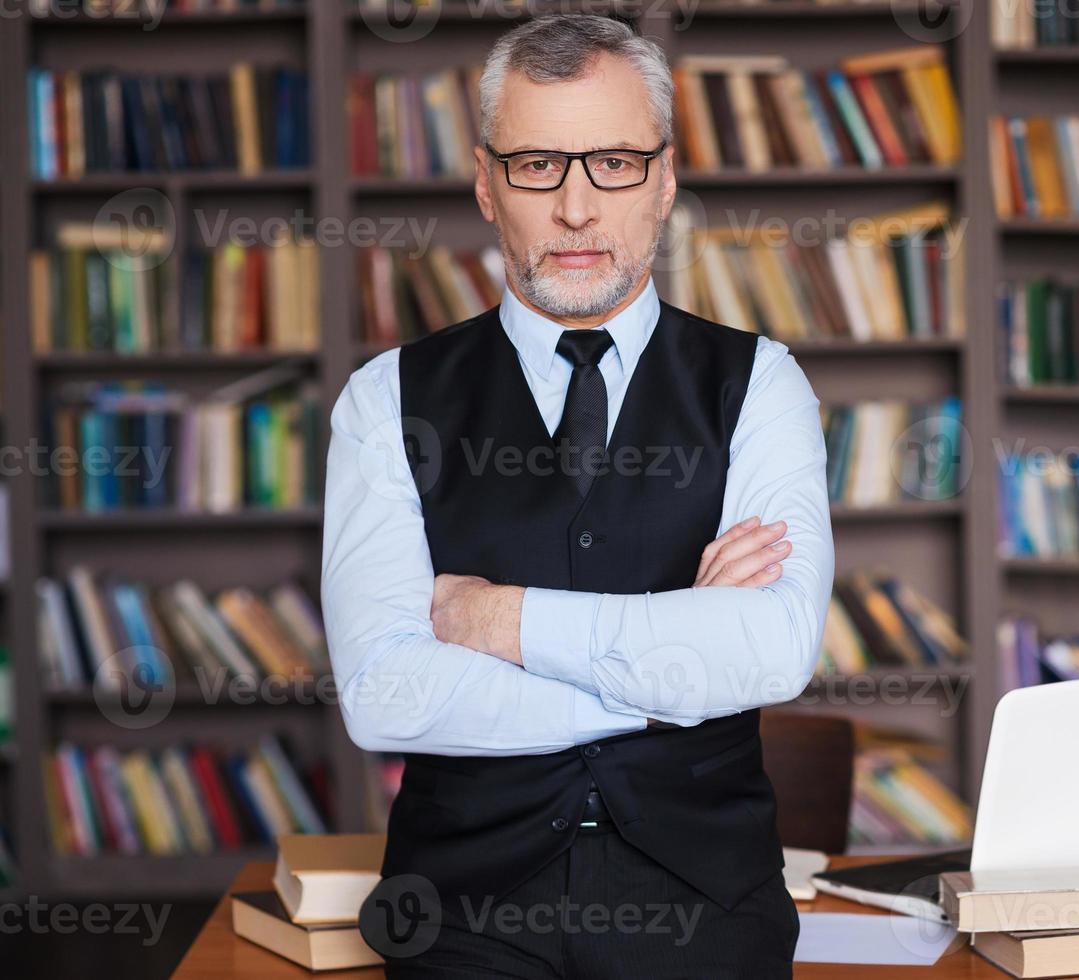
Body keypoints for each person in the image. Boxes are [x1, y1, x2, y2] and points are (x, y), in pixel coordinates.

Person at [320, 13, 834, 978]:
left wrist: (492, 616)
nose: (576, 210)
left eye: (614, 164)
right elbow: (385, 698)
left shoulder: (760, 383)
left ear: (666, 178)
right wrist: (675, 668)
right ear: (485, 182)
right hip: (458, 920)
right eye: (537, 166)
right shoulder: (384, 398)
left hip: (708, 912)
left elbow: (771, 651)